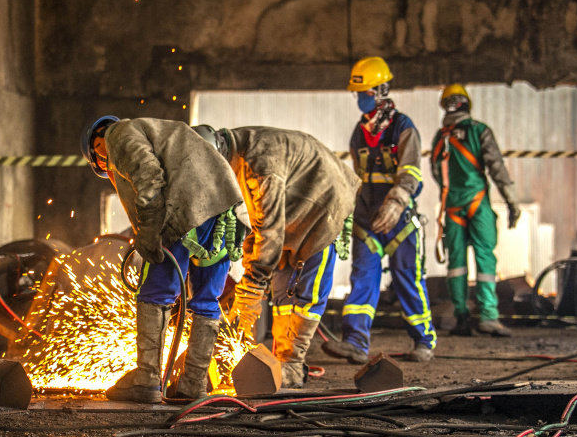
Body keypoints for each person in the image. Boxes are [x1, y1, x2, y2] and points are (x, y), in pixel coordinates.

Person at [81, 116, 246, 403]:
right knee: (207, 301)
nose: (110, 167)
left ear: (97, 145)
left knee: (155, 294)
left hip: (185, 207)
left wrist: (149, 229)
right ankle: (193, 384)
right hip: (224, 211)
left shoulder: (117, 134)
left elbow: (148, 176)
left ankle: (147, 381)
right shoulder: (153, 132)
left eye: (104, 164)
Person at [191, 125, 360, 388]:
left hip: (325, 203)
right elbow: (251, 225)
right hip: (291, 208)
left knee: (307, 293)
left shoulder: (260, 165)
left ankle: (292, 363)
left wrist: (250, 292)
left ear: (217, 155)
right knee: (282, 292)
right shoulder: (233, 157)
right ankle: (281, 359)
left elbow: (268, 231)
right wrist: (251, 276)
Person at [322, 56, 438, 364]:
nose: (361, 99)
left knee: (407, 279)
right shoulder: (359, 133)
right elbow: (358, 177)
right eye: (358, 93)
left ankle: (424, 341)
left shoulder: (404, 128)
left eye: (366, 92)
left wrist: (397, 202)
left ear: (382, 91)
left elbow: (411, 172)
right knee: (363, 279)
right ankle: (356, 343)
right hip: (368, 220)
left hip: (400, 221)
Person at [430, 84, 520, 337]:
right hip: (478, 204)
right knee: (485, 259)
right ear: (467, 104)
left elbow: (438, 173)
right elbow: (496, 167)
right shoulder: (480, 131)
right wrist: (511, 201)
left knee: (456, 264)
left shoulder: (440, 137)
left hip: (452, 207)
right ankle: (488, 317)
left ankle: (462, 318)